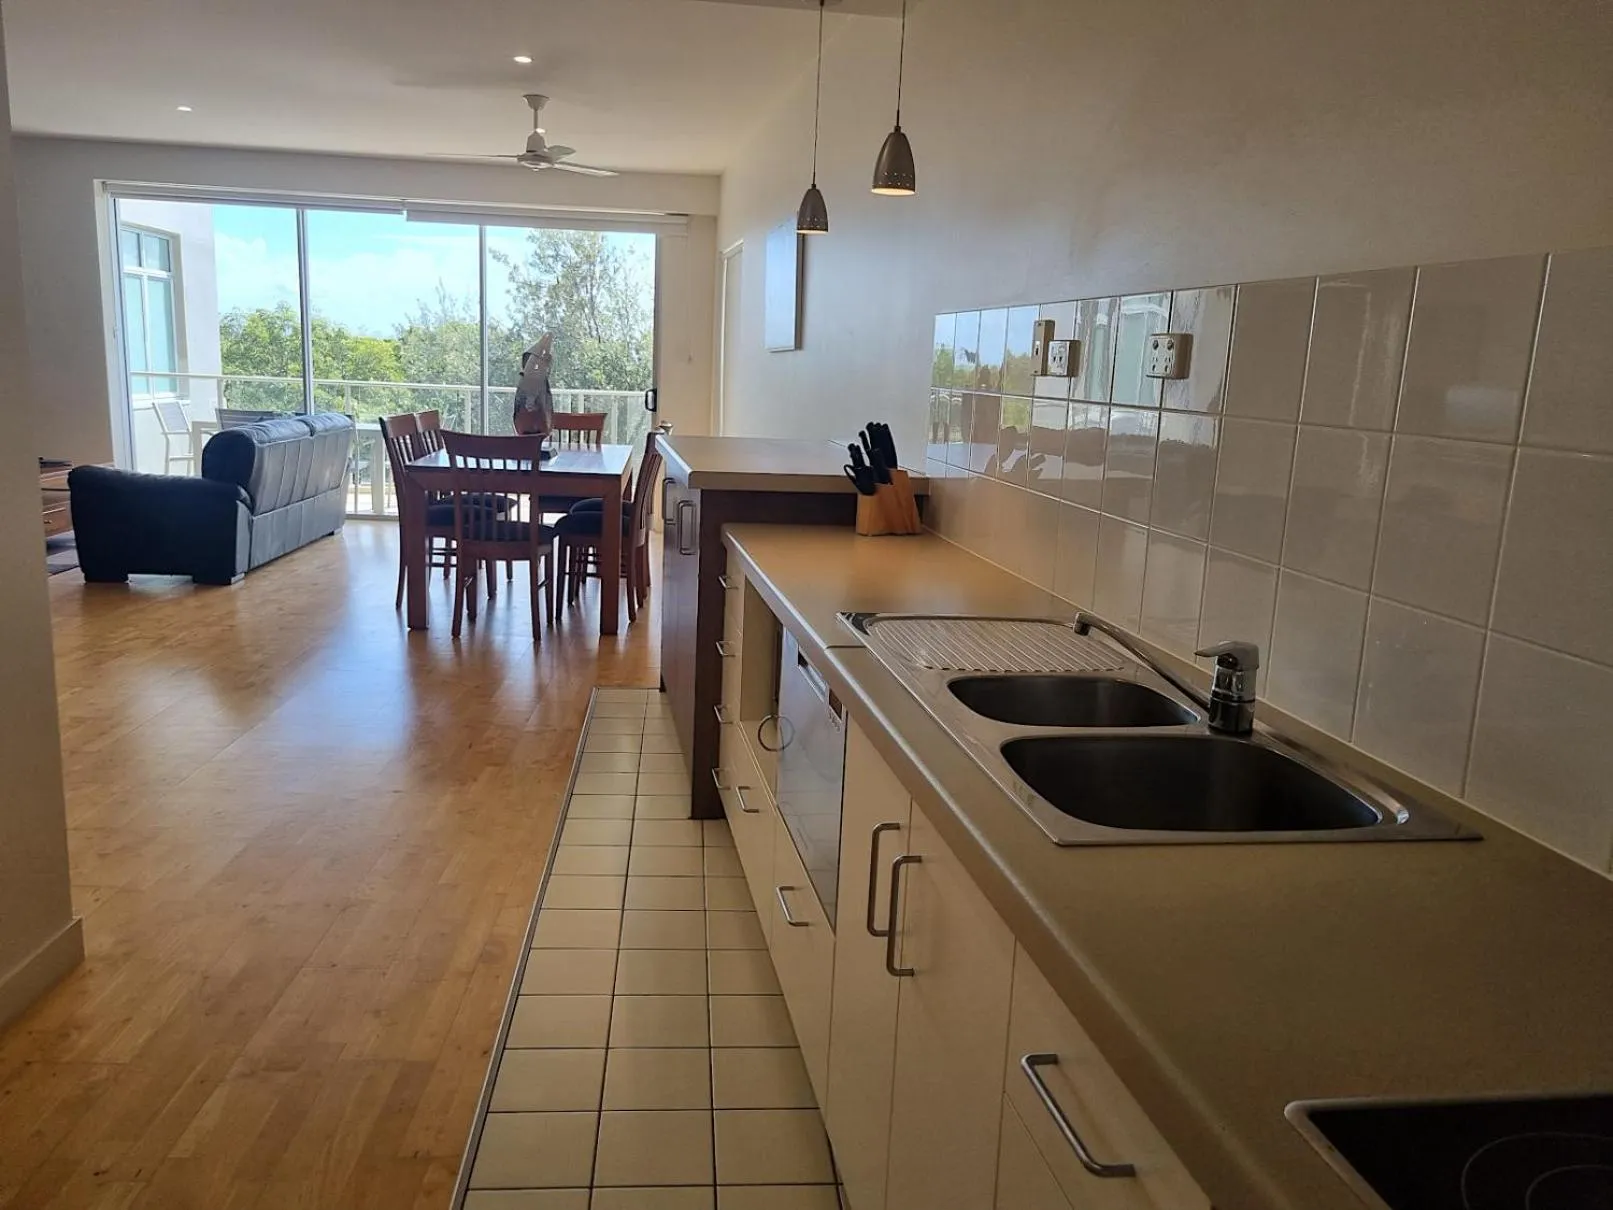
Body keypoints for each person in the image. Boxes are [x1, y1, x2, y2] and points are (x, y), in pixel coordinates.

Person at [512, 333, 554, 437]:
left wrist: (543, 347)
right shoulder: (529, 385)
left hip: (533, 430)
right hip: (531, 429)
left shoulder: (538, 386)